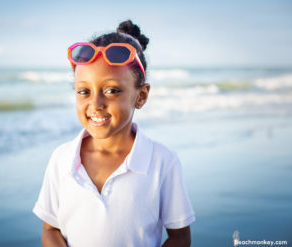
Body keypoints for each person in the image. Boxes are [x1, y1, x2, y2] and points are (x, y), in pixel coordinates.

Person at [33, 19, 195, 247]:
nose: (95, 103)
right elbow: (50, 229)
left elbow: (180, 237)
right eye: (84, 91)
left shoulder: (162, 162)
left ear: (141, 96)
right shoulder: (62, 159)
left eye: (112, 90)